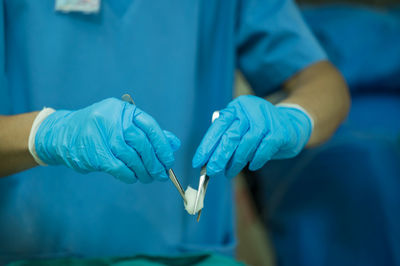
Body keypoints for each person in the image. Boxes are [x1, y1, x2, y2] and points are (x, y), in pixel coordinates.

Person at [0, 0, 350, 262]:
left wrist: (292, 119)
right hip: (31, 251)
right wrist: (46, 134)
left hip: (188, 258)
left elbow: (325, 85)